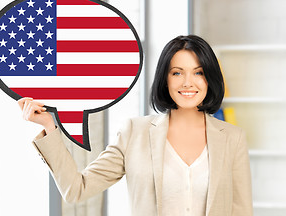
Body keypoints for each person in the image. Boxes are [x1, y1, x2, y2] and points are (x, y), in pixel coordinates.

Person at [18, 35, 253, 216]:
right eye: (177, 73)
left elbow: (242, 211)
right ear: (165, 78)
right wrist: (50, 127)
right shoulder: (134, 133)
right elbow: (76, 189)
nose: (188, 83)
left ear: (209, 78)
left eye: (198, 72)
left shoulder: (233, 138)